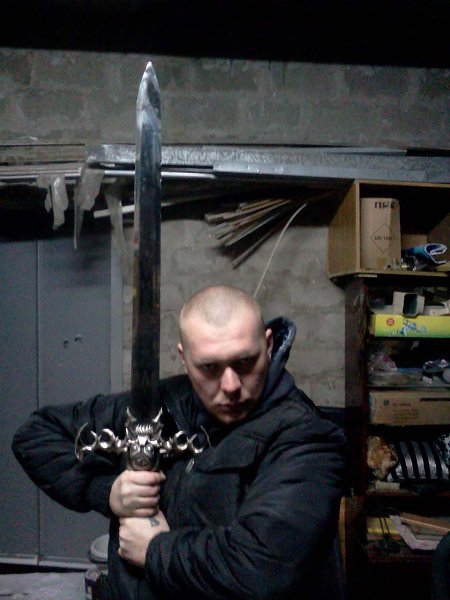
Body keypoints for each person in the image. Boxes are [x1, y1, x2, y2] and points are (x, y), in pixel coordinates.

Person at [12, 285, 346, 600]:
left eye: (245, 362)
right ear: (184, 359)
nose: (231, 385)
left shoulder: (306, 438)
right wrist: (107, 491)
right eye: (209, 367)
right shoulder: (159, 405)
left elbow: (261, 568)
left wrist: (155, 550)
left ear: (268, 345)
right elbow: (37, 434)